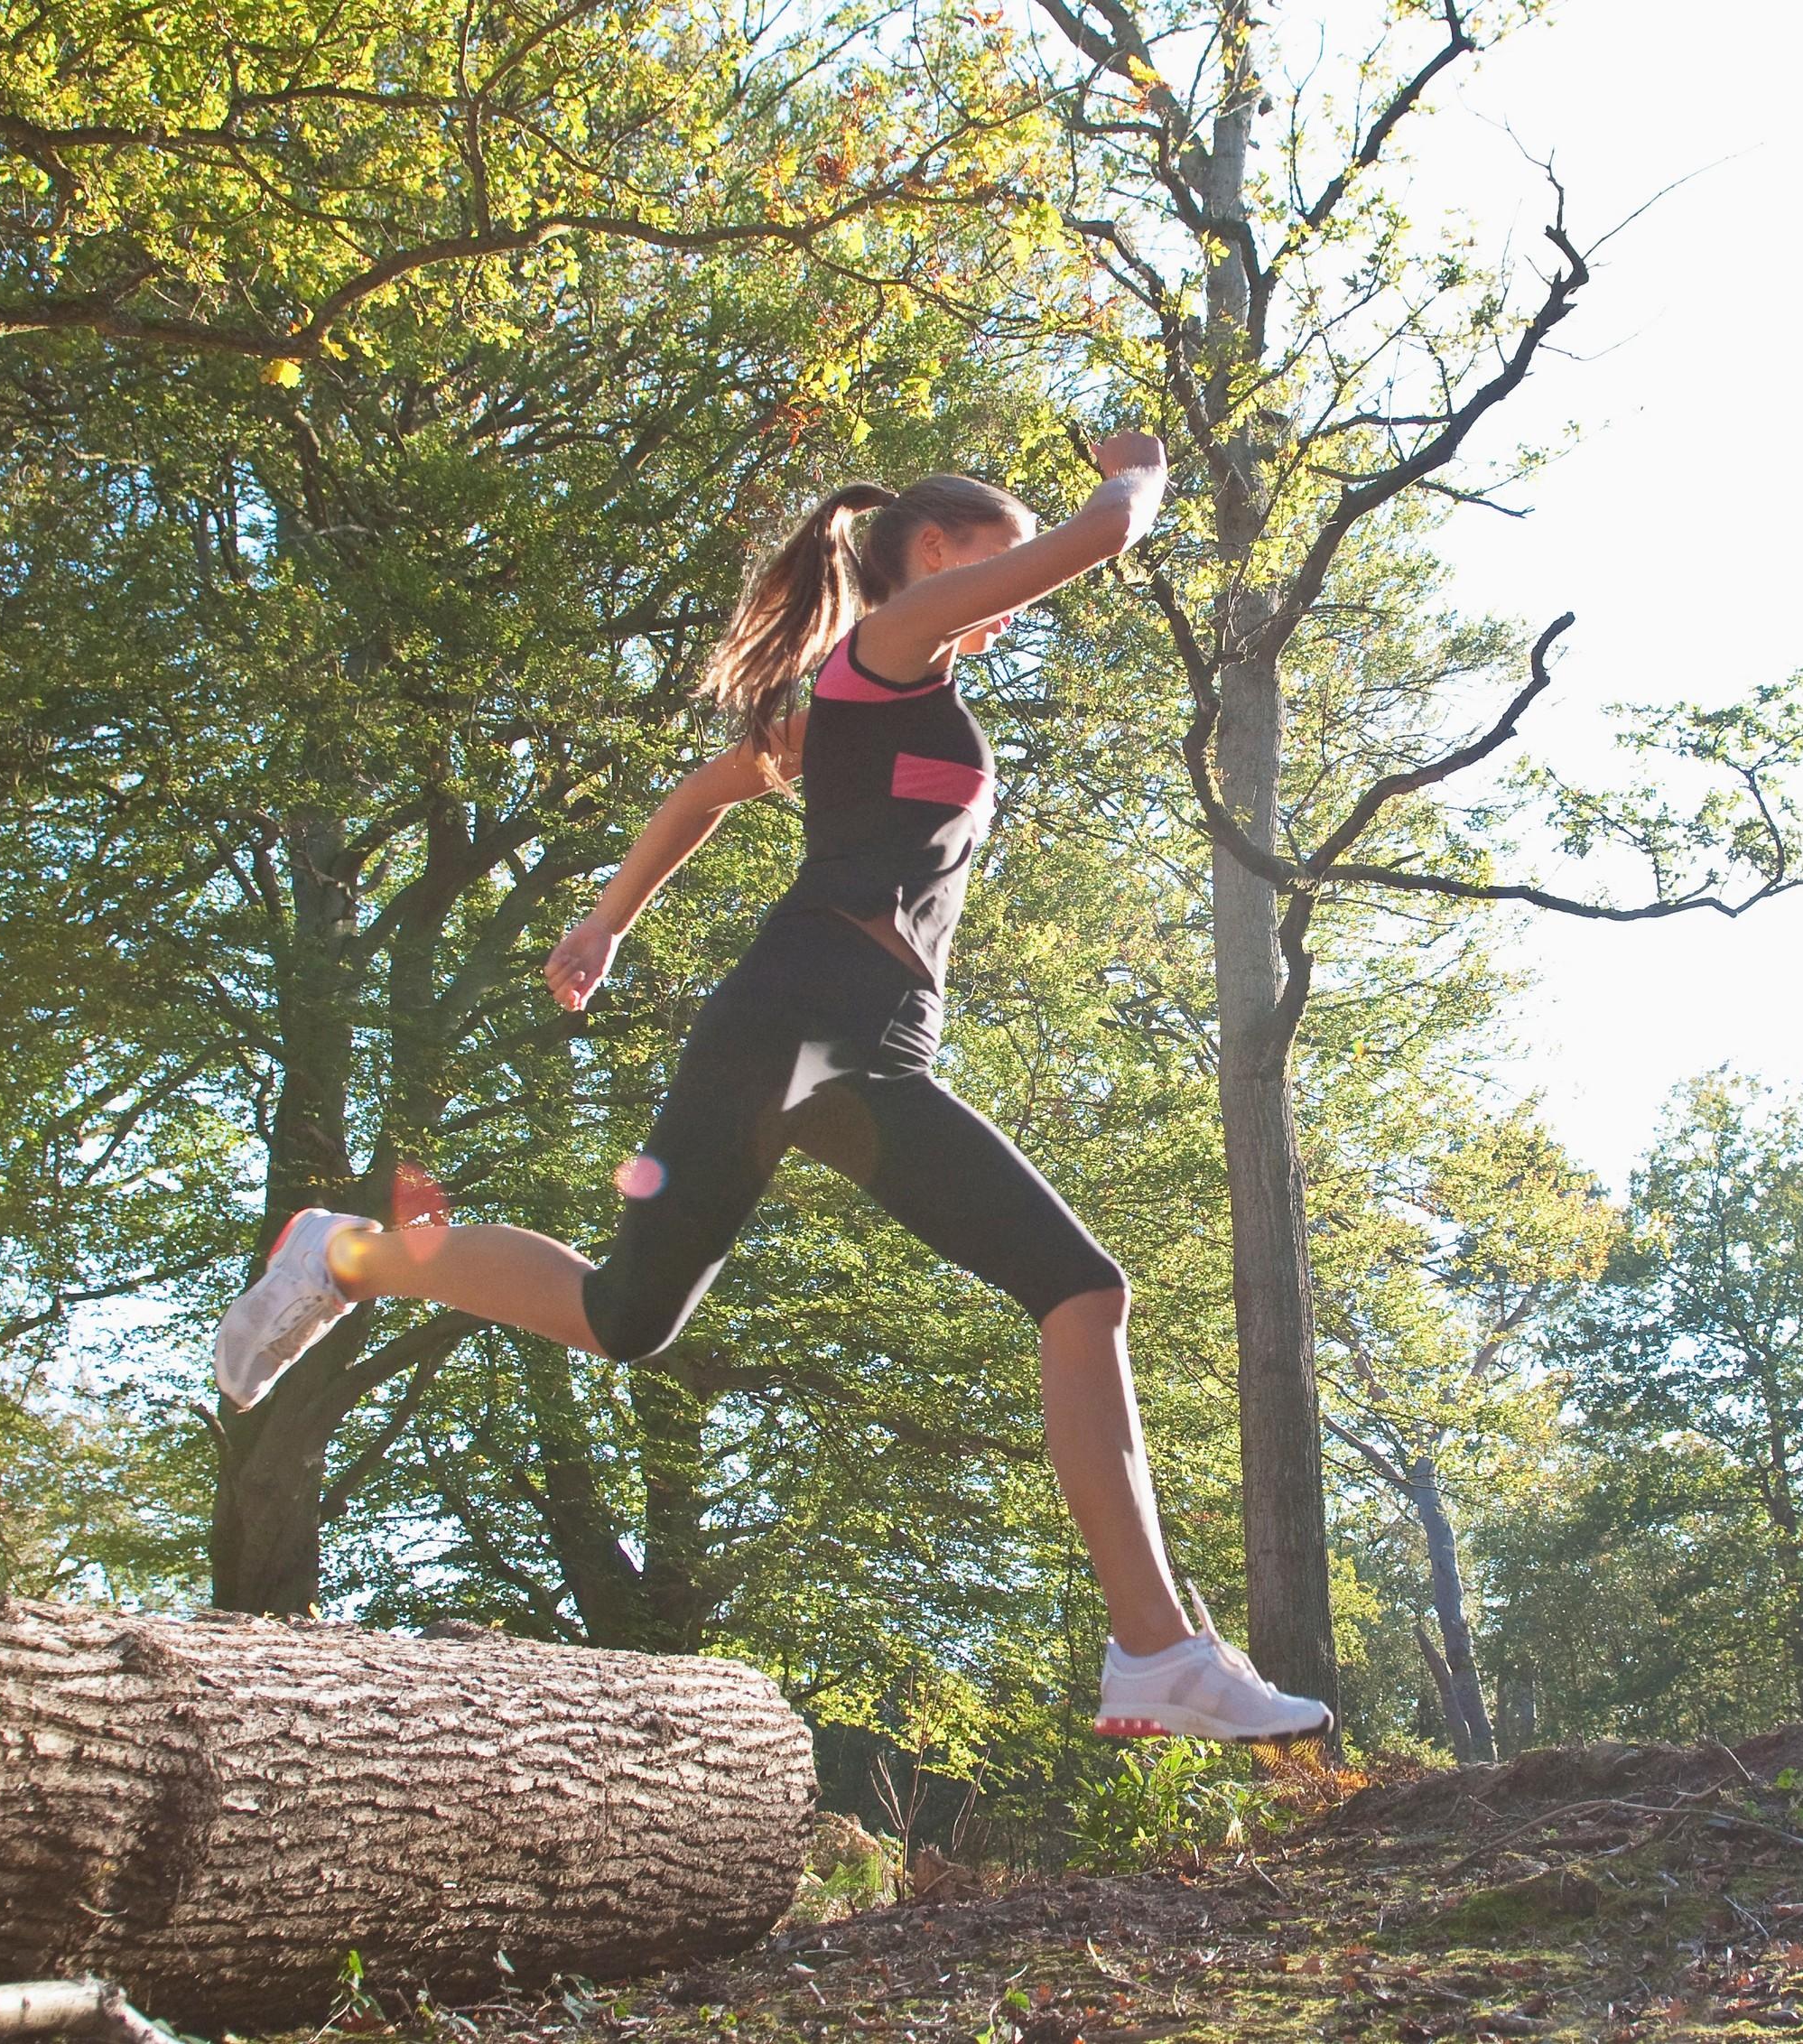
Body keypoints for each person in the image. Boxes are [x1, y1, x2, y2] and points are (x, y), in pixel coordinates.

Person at [211, 431, 1331, 1744]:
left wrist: (609, 920)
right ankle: (1155, 1653)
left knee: (629, 1317)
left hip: (859, 1044)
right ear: (930, 554)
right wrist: (1134, 468)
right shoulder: (894, 644)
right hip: (798, 1026)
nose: (1020, 583)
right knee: (1080, 1288)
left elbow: (714, 785)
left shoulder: (879, 702)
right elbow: (1102, 537)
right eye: (1000, 552)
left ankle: (348, 1256)